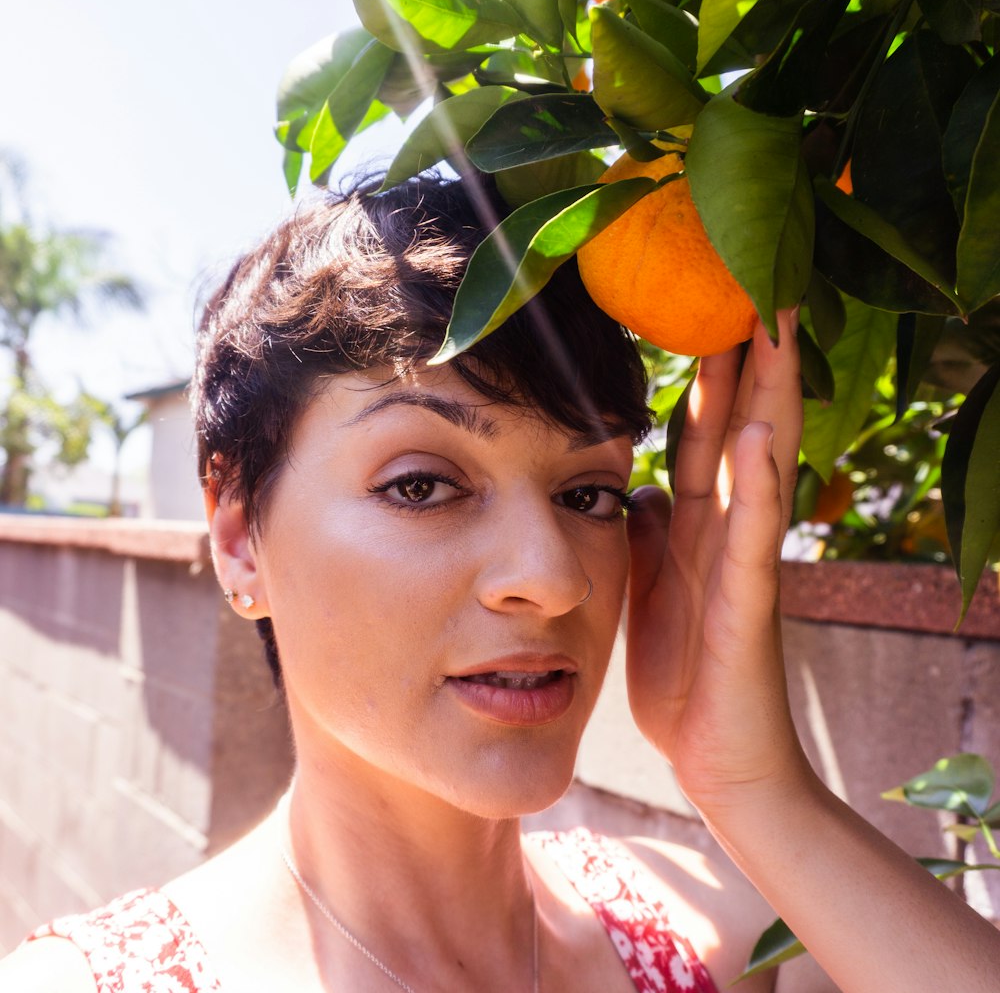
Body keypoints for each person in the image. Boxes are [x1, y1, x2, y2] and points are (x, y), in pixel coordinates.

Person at [2, 172, 998, 993]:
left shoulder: (716, 940)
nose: (552, 580)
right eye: (423, 483)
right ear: (238, 533)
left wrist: (759, 790)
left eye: (589, 494)